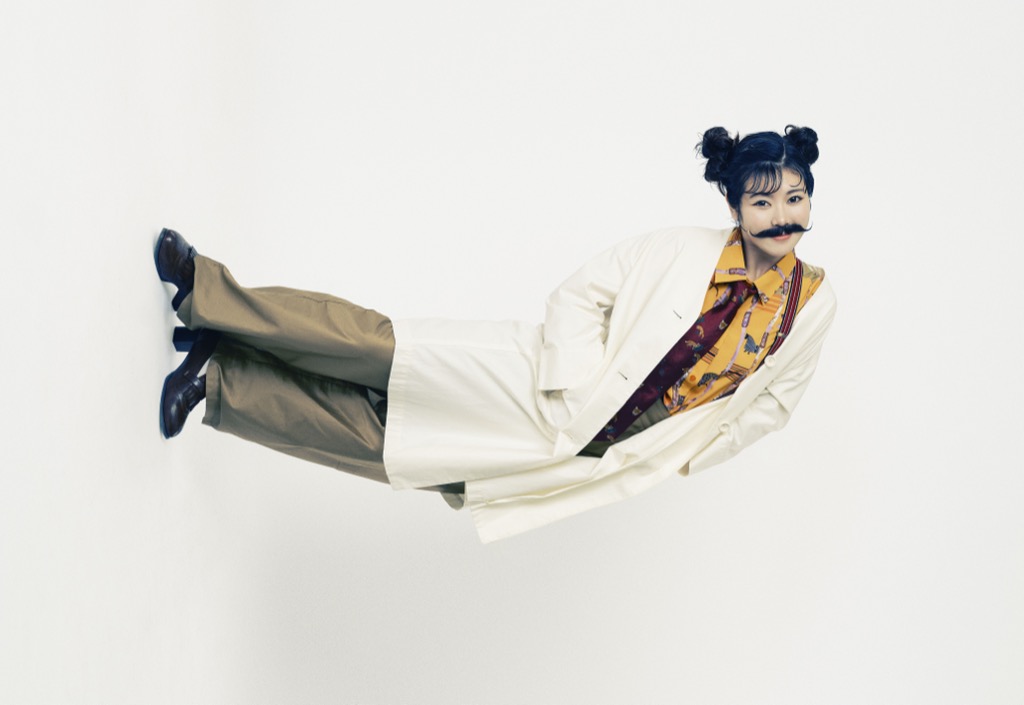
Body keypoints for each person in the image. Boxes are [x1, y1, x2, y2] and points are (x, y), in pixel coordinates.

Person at [156, 125, 836, 543]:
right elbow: (584, 293)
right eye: (763, 201)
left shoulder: (812, 303)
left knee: (391, 449)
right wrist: (571, 382)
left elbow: (776, 404)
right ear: (734, 205)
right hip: (541, 382)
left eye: (794, 198)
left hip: (595, 452)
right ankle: (205, 294)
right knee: (379, 348)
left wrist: (685, 453)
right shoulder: (681, 249)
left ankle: (217, 382)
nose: (782, 216)